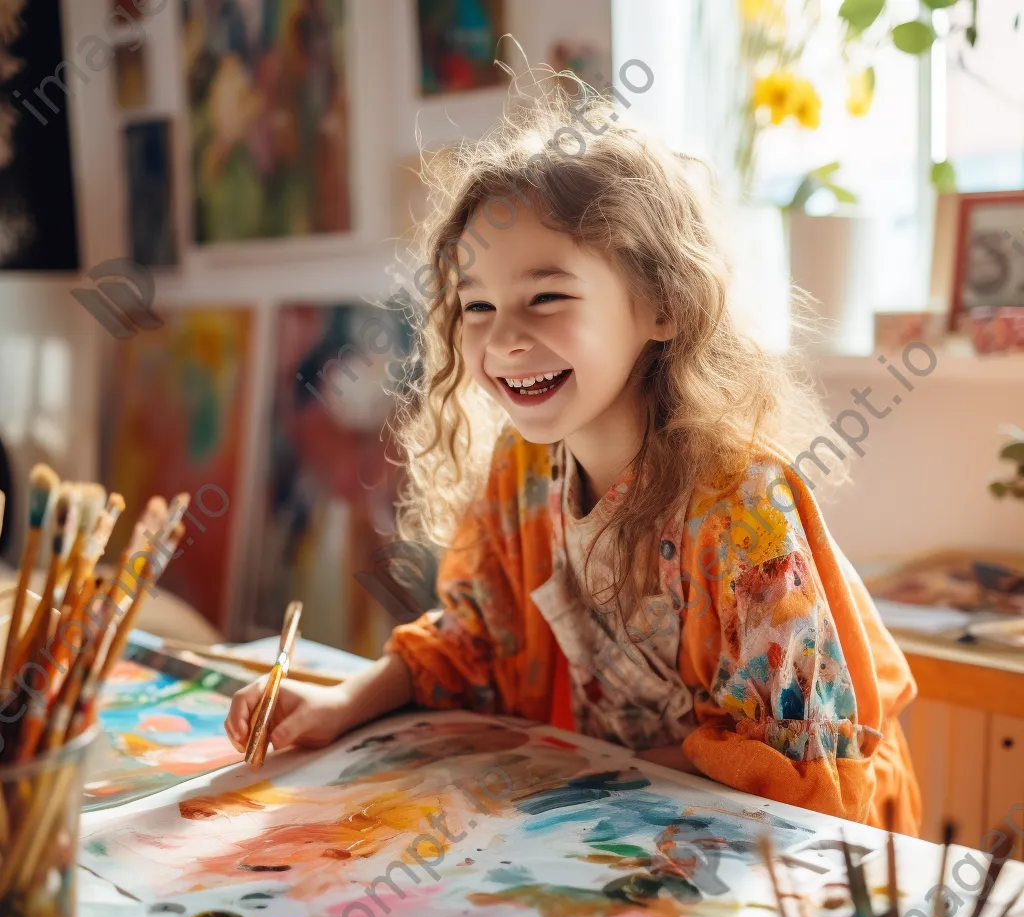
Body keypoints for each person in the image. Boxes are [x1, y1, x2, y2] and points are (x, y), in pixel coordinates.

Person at [226, 74, 921, 835]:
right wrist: (337, 702)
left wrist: (592, 783)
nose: (502, 339)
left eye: (546, 297)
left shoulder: (743, 510)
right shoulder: (524, 474)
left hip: (792, 867)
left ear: (663, 305)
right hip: (620, 827)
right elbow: (472, 642)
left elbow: (795, 764)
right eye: (477, 306)